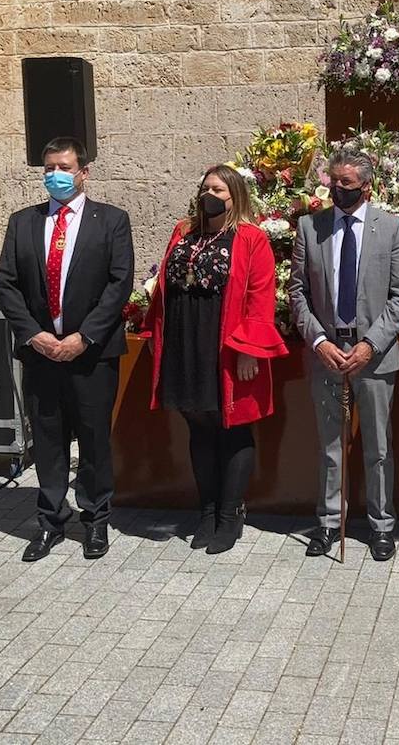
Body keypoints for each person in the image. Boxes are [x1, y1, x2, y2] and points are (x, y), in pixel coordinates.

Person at [0, 137, 134, 563]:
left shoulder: (111, 221)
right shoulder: (22, 223)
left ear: (83, 172)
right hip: (41, 354)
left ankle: (95, 520)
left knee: (94, 442)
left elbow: (119, 284)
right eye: (49, 167)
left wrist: (83, 337)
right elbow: (7, 284)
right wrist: (34, 335)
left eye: (64, 166)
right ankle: (50, 520)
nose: (55, 174)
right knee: (50, 441)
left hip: (90, 355)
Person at [146, 165, 287, 554]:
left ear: (235, 196)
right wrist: (154, 333)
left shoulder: (251, 238)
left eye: (219, 189)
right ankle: (206, 511)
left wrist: (248, 349)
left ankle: (230, 513)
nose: (210, 194)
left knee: (233, 428)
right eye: (206, 187)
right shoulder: (183, 231)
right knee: (199, 427)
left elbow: (261, 297)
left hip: (226, 344)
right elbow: (164, 287)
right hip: (185, 340)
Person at [289, 147, 399, 561]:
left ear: (366, 186)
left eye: (347, 184)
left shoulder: (391, 228)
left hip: (373, 355)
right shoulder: (310, 227)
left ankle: (381, 525)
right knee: (330, 444)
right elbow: (297, 293)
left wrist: (369, 344)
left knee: (378, 446)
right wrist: (319, 341)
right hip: (326, 350)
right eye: (334, 182)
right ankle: (327, 522)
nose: (338, 190)